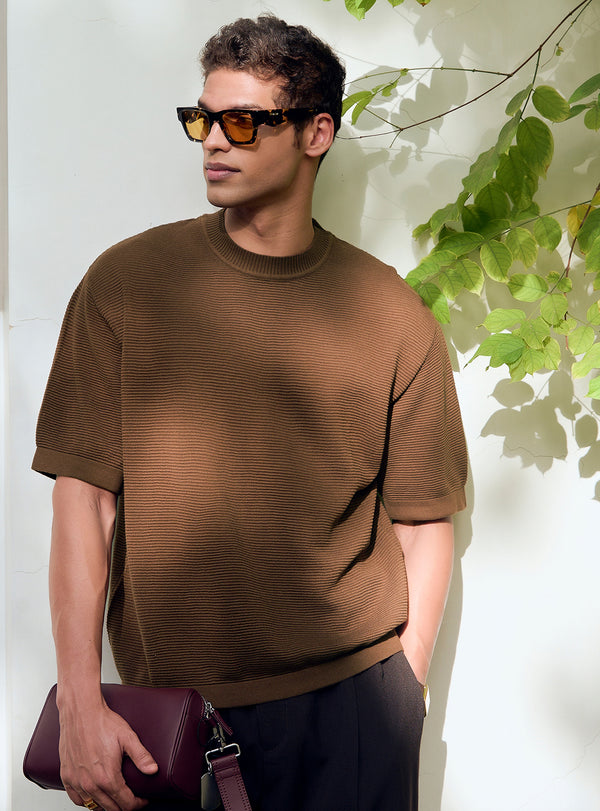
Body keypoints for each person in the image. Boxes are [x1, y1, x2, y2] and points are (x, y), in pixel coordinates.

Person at [32, 14, 467, 811]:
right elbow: (83, 499)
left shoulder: (391, 312)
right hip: (173, 718)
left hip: (353, 708)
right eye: (202, 119)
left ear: (316, 133)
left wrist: (405, 689)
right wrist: (79, 699)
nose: (213, 141)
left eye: (242, 121)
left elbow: (423, 520)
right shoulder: (126, 284)